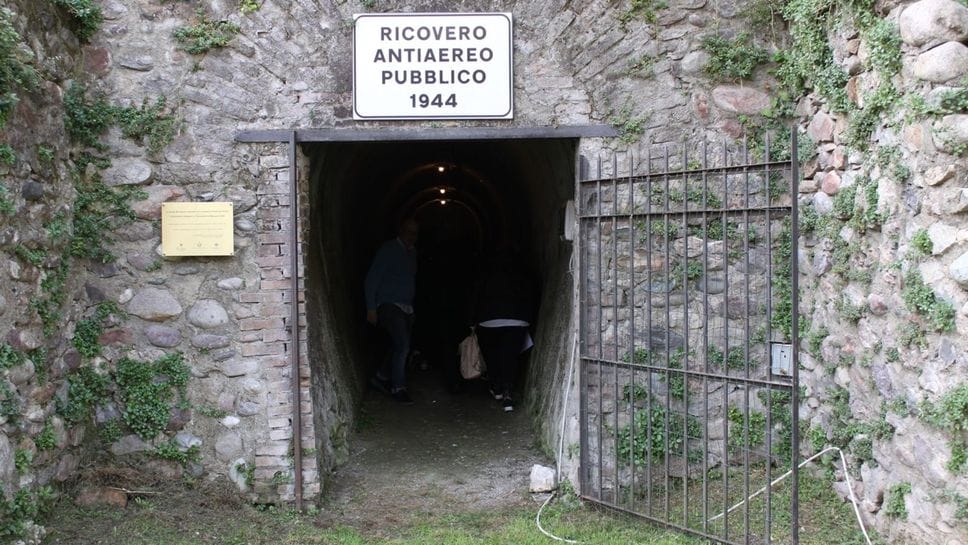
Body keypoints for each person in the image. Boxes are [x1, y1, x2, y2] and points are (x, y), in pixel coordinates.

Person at [473, 250, 535, 412]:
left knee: (492, 355)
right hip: (517, 320)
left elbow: (476, 294)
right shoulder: (523, 273)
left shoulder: (486, 272)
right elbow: (531, 293)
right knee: (510, 357)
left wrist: (472, 320)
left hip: (489, 320)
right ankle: (508, 394)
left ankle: (496, 386)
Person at [365, 217, 419, 404]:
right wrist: (371, 307)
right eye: (409, 232)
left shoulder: (412, 253)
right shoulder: (388, 250)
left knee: (399, 345)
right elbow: (372, 279)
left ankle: (380, 376)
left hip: (406, 307)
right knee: (402, 345)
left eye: (415, 233)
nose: (412, 236)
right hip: (388, 304)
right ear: (401, 231)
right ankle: (398, 387)